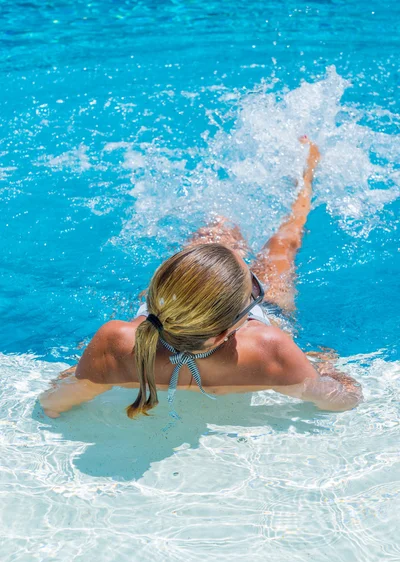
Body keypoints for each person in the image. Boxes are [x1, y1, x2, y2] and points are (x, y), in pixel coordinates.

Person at [40, 138, 362, 419]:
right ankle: (305, 178)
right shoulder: (271, 349)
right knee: (286, 241)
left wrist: (86, 366)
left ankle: (215, 239)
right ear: (227, 333)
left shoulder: (115, 343)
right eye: (252, 289)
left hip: (177, 313)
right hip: (255, 317)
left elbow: (54, 403)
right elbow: (339, 401)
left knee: (216, 231)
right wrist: (326, 367)